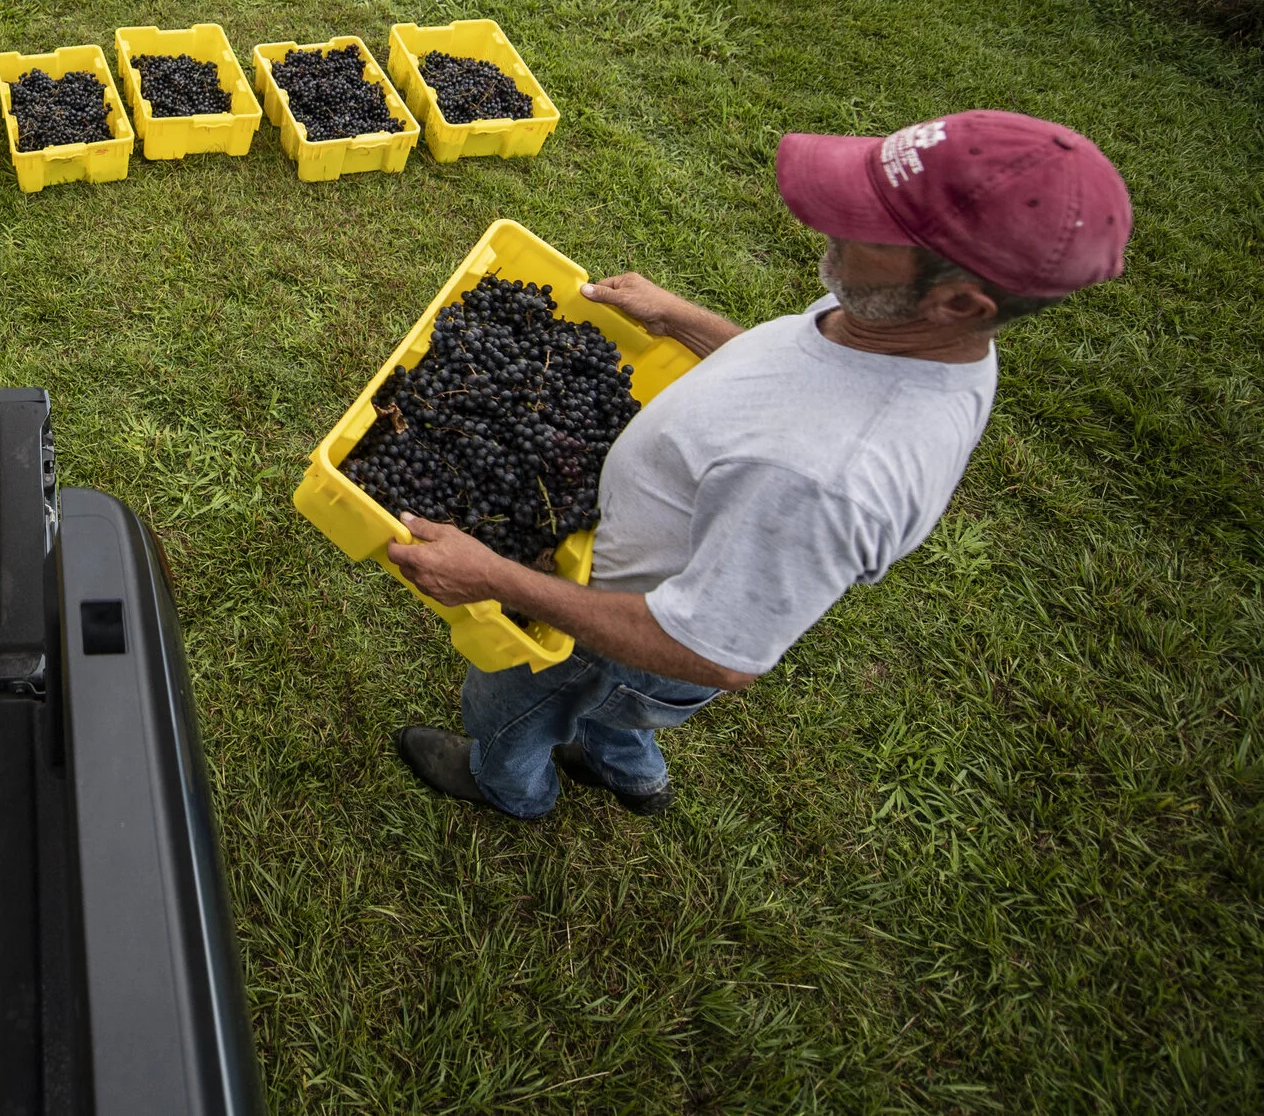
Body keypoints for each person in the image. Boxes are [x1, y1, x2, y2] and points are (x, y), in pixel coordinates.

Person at [384, 110, 1131, 818]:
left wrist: (496, 577)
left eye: (871, 226)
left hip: (624, 639)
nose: (832, 223)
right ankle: (629, 772)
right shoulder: (903, 331)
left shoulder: (825, 477)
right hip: (639, 626)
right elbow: (792, 379)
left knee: (516, 705)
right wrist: (683, 320)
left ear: (960, 303)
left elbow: (709, 651)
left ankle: (509, 786)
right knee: (614, 713)